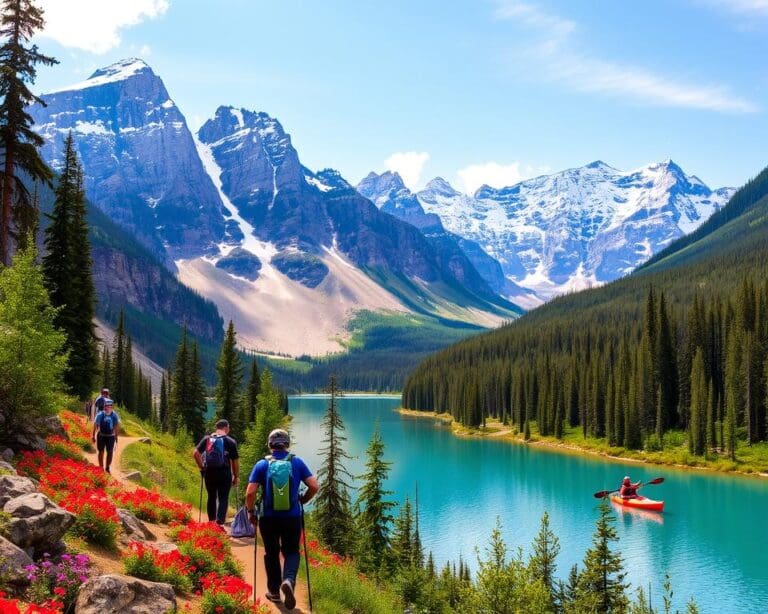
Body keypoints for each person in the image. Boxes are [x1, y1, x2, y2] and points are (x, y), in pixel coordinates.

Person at [245, 429, 319, 610]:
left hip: (268, 518)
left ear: (270, 444)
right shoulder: (297, 462)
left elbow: (250, 492)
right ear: (287, 444)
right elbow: (314, 486)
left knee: (271, 553)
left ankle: (274, 592)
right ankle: (288, 580)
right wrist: (303, 499)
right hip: (291, 517)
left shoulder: (262, 464)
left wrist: (250, 512)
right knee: (292, 551)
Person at [193, 419, 239, 525]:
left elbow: (195, 453)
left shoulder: (207, 439)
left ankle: (211, 522)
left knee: (211, 496)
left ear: (217, 428)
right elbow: (235, 461)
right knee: (223, 497)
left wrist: (202, 467)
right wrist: (236, 476)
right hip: (224, 473)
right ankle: (219, 523)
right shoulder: (230, 441)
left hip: (209, 472)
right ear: (226, 428)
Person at [91, 398, 120, 473]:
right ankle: (102, 467)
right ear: (104, 406)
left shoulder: (113, 415)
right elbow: (95, 425)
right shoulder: (101, 415)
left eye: (110, 406)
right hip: (103, 436)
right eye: (107, 406)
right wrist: (93, 435)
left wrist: (116, 436)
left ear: (112, 406)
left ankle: (106, 467)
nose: (108, 407)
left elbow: (116, 425)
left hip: (109, 436)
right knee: (101, 451)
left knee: (109, 452)